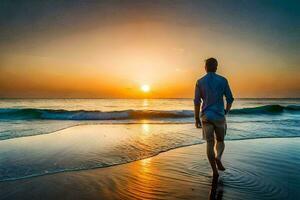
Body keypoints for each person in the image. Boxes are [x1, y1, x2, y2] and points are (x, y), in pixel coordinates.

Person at [194, 57, 234, 177]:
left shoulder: (200, 82)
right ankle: (218, 157)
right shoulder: (223, 80)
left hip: (206, 116)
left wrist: (196, 118)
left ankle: (215, 171)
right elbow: (230, 99)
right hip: (219, 116)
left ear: (205, 68)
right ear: (216, 67)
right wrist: (226, 111)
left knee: (210, 143)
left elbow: (197, 101)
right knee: (220, 140)